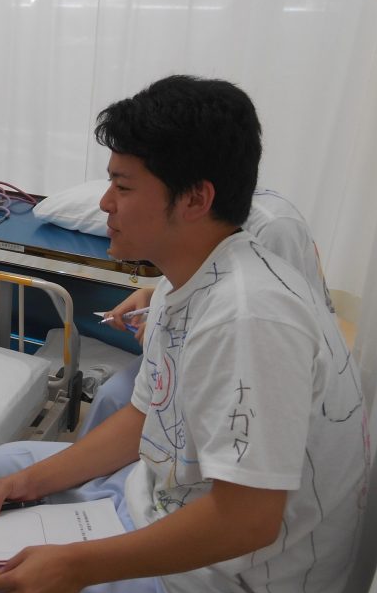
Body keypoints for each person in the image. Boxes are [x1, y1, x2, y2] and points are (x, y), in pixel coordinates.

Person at [0, 75, 368, 593]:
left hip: (223, 589)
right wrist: (29, 482)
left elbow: (247, 520)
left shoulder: (249, 319)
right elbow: (143, 419)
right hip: (158, 496)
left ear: (196, 198)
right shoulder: (184, 283)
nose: (105, 203)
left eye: (124, 187)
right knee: (7, 466)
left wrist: (76, 567)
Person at [76, 188, 339, 438]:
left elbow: (274, 330)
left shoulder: (273, 230)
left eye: (124, 185)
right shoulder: (194, 229)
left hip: (245, 370)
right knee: (111, 398)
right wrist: (155, 299)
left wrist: (167, 328)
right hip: (196, 351)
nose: (105, 203)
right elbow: (201, 283)